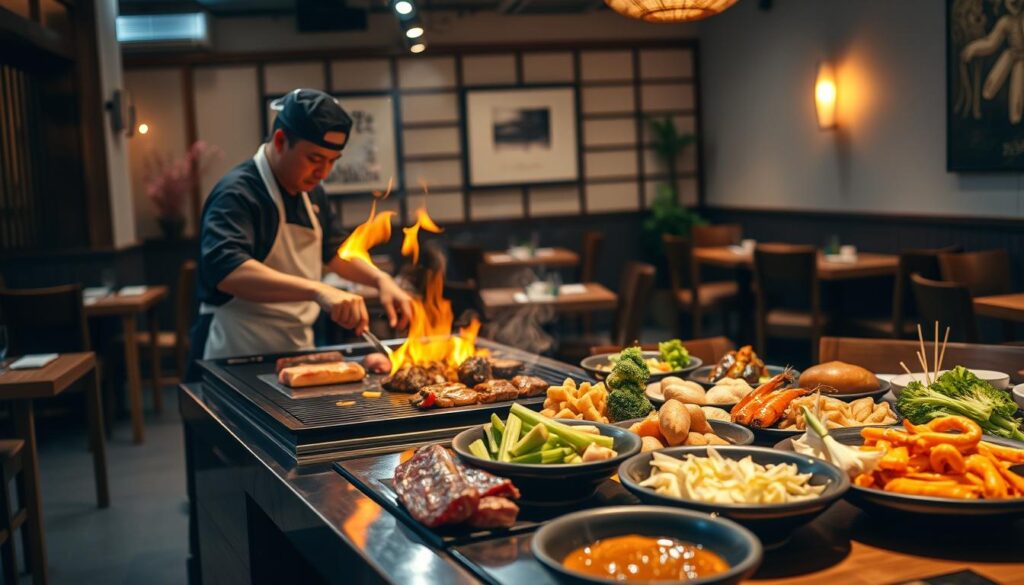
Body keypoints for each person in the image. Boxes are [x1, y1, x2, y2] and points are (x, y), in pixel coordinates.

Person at [186, 88, 412, 378]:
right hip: (234, 349)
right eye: (315, 158)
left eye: (333, 160)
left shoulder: (313, 194)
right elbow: (228, 271)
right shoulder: (237, 193)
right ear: (280, 141)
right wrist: (317, 290)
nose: (324, 172)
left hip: (293, 347)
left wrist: (381, 280)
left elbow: (336, 253)